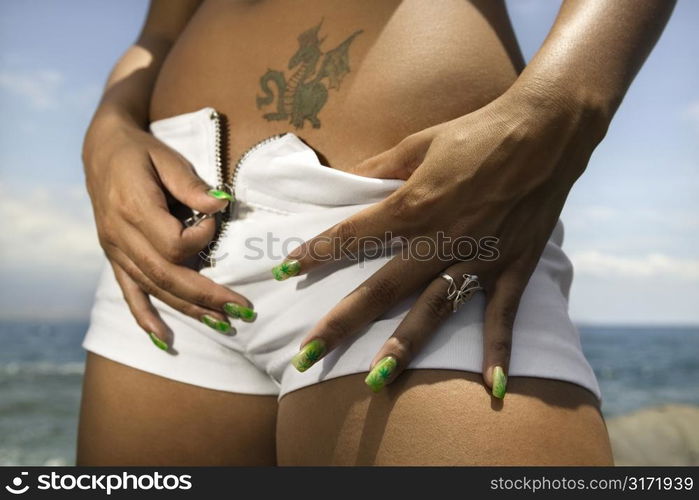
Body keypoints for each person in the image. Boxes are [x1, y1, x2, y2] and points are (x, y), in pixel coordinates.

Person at [78, 0, 675, 465]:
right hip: (171, 236)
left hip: (419, 223)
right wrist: (108, 123)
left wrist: (566, 103)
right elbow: (160, 30)